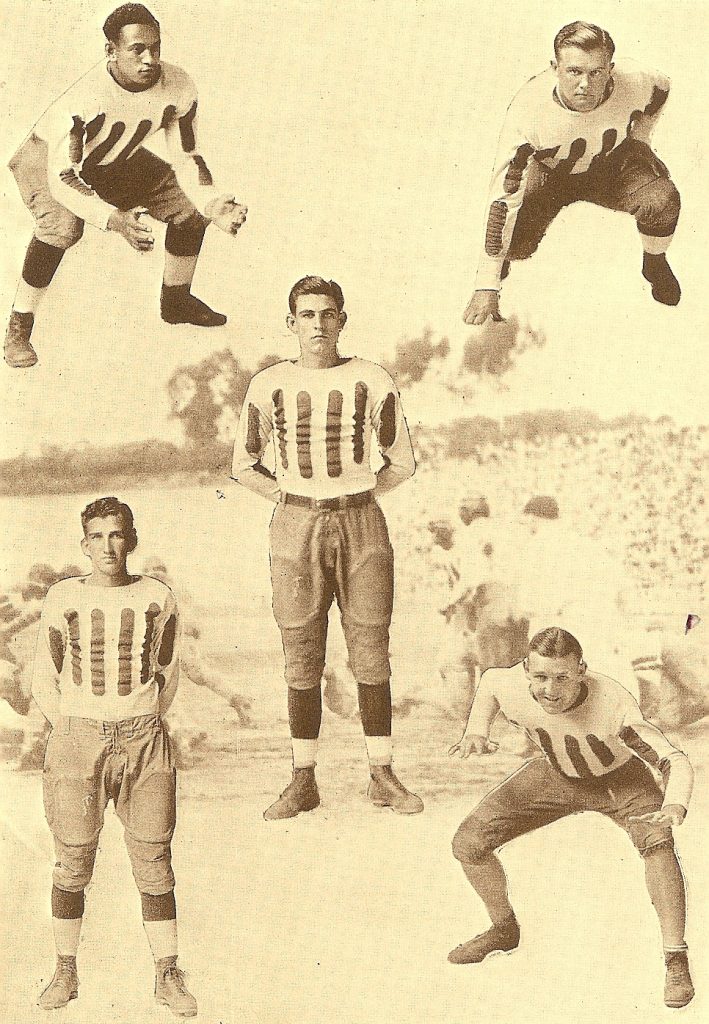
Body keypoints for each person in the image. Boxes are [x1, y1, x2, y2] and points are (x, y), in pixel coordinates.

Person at [231, 275, 423, 819]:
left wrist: (355, 495)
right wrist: (295, 498)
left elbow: (401, 460)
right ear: (291, 323)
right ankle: (302, 780)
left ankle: (382, 774)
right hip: (296, 525)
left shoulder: (372, 378)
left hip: (362, 523)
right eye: (307, 315)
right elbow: (243, 464)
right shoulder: (268, 384)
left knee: (370, 649)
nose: (318, 324)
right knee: (301, 653)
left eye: (327, 314)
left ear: (342, 320)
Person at [448, 627, 694, 1009]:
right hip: (556, 774)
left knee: (657, 844)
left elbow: (673, 759)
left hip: (621, 780)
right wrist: (477, 730)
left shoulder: (614, 705)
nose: (550, 689)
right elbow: (490, 685)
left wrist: (675, 803)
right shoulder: (508, 682)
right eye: (541, 676)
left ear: (582, 670)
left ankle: (675, 958)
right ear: (526, 668)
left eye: (562, 677)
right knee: (468, 844)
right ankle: (503, 929)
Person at [5, 3, 247, 368]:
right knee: (63, 227)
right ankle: (19, 325)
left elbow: (186, 154)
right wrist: (115, 219)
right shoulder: (84, 98)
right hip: (48, 164)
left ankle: (176, 301)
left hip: (112, 156)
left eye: (156, 47)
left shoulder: (178, 84)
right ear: (111, 51)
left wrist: (211, 201)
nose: (150, 58)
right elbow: (64, 177)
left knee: (192, 211)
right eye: (137, 49)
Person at [31, 497, 197, 1017]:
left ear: (131, 540)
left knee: (154, 860)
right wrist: (73, 728)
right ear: (84, 545)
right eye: (97, 537)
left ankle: (167, 975)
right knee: (73, 859)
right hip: (78, 736)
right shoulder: (64, 597)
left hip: (144, 737)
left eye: (117, 535)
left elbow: (167, 669)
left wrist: (139, 718)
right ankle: (65, 969)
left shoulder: (157, 596)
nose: (108, 546)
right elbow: (45, 672)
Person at [463, 21, 681, 326]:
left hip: (609, 165)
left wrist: (642, 137)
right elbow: (503, 197)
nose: (585, 85)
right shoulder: (528, 111)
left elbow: (662, 88)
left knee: (662, 200)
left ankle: (654, 263)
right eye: (574, 71)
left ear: (610, 68)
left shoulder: (634, 79)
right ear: (555, 67)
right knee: (516, 244)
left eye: (596, 73)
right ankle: (502, 264)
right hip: (551, 175)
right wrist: (486, 283)